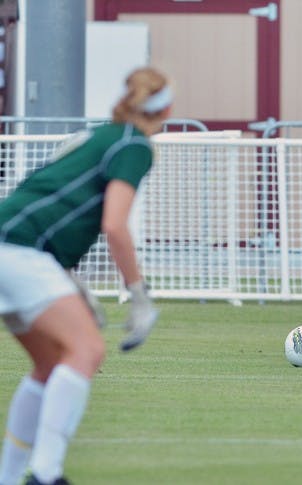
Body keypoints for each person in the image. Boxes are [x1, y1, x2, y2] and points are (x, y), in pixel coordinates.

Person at [0, 67, 172, 485]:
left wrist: (73, 284)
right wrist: (139, 295)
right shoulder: (135, 144)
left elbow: (49, 200)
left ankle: (9, 477)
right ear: (165, 107)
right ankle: (46, 472)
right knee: (86, 350)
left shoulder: (100, 135)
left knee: (48, 364)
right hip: (21, 252)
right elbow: (114, 225)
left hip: (15, 245)